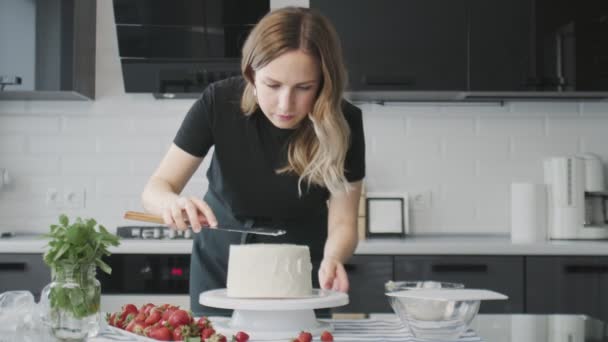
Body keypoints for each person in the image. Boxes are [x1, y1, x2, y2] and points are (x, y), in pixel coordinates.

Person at [141, 6, 365, 316]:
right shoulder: (218, 102)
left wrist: (334, 257)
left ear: (325, 83)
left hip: (300, 271)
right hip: (221, 262)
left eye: (304, 88)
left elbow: (343, 221)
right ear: (251, 73)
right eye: (272, 85)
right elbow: (157, 187)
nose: (286, 104)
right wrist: (169, 203)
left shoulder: (345, 123)